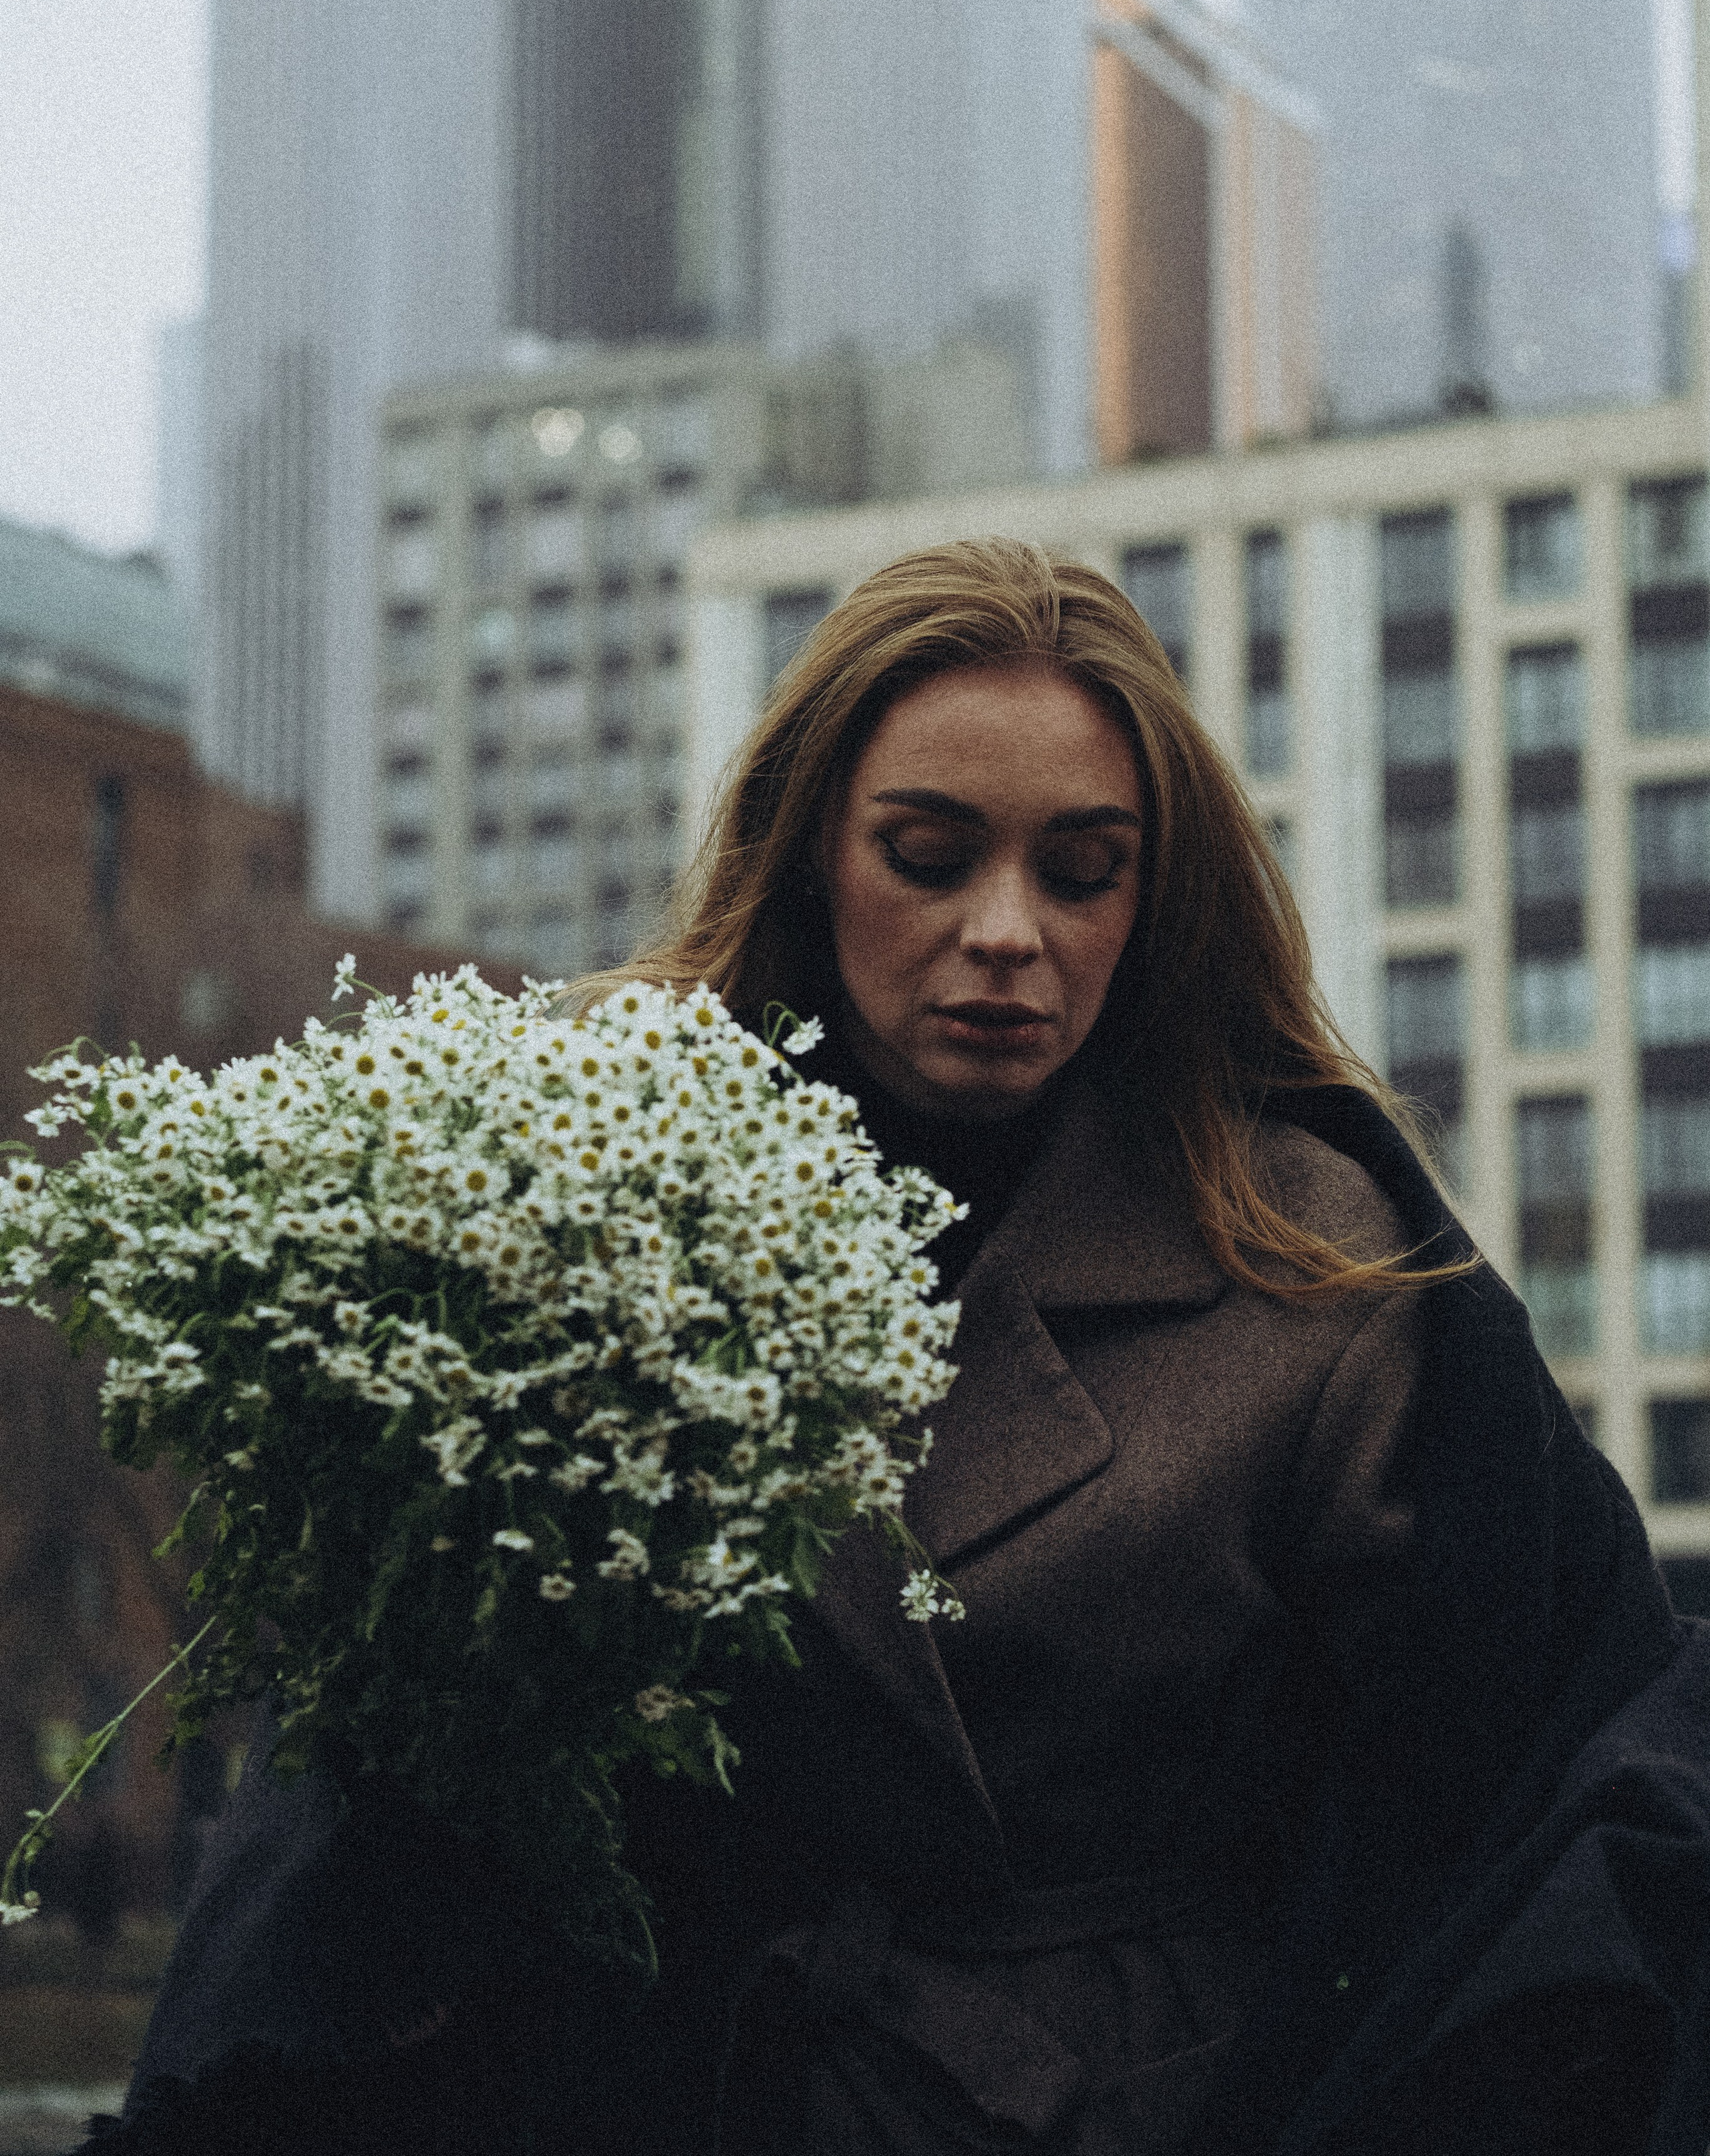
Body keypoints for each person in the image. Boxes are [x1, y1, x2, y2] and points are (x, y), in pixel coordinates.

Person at [102, 539, 1709, 2155]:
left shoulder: (1312, 1270)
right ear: (812, 856)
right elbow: (374, 1807)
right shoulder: (563, 1197)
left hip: (1135, 2103)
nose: (1005, 932)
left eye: (1081, 872)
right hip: (657, 2078)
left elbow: (1514, 1795)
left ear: (1153, 897)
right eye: (928, 856)